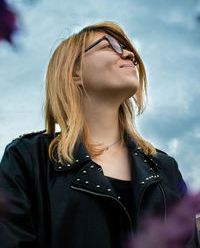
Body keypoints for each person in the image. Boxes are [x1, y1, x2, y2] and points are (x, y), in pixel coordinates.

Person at [0, 21, 199, 248]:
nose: (129, 54)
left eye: (127, 48)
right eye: (108, 46)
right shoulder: (27, 159)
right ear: (74, 72)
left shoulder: (166, 168)